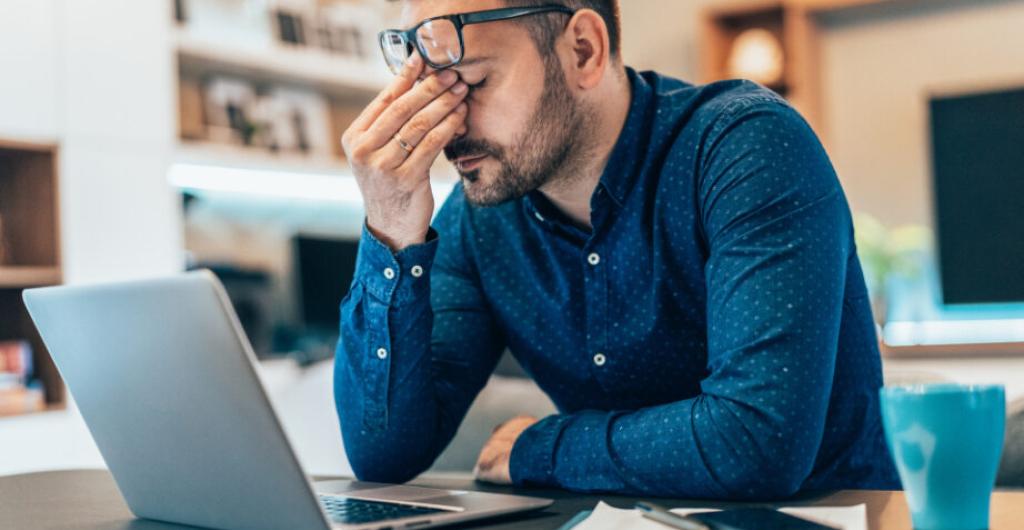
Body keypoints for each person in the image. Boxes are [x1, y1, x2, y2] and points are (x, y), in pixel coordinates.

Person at [334, 0, 899, 499]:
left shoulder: (746, 148)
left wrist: (544, 448)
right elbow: (384, 456)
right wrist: (389, 230)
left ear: (583, 50)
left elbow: (755, 442)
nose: (448, 127)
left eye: (474, 84)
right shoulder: (480, 221)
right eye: (430, 93)